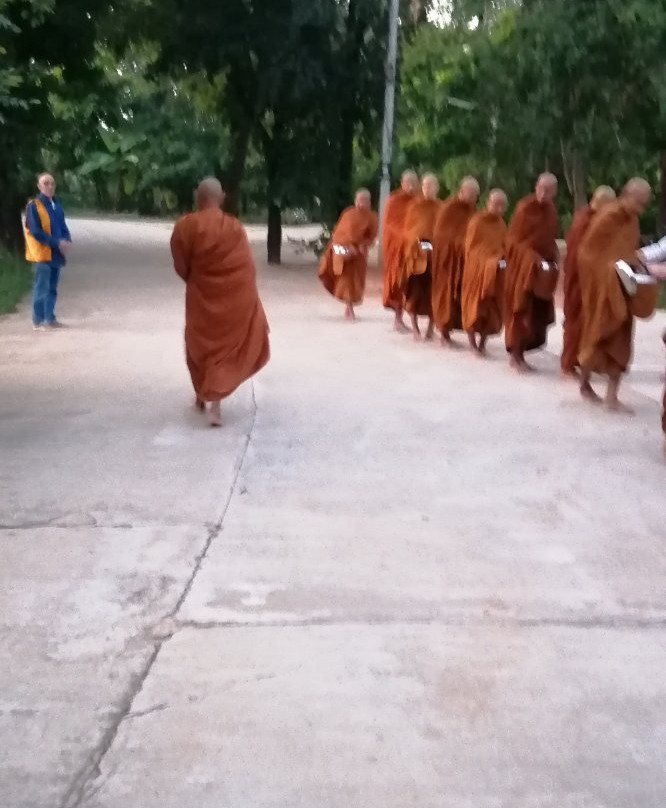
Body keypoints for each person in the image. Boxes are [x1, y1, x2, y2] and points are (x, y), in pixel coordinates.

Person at [170, 178, 270, 427]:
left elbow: (180, 263)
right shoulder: (234, 228)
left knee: (199, 346)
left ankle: (204, 396)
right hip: (232, 299)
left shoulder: (185, 226)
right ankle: (213, 404)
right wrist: (248, 301)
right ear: (222, 198)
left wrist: (196, 280)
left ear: (198, 197)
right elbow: (246, 268)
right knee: (223, 351)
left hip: (200, 299)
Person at [577, 178, 652, 412]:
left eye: (644, 205)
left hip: (623, 287)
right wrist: (611, 270)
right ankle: (584, 383)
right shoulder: (607, 217)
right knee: (596, 336)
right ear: (626, 195)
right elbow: (587, 254)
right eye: (638, 203)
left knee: (621, 340)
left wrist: (636, 266)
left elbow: (628, 251)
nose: (641, 210)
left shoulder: (632, 220)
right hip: (602, 288)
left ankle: (611, 397)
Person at [504, 173, 560, 372]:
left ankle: (522, 354)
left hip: (540, 271)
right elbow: (512, 241)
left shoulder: (551, 211)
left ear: (554, 192)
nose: (544, 193)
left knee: (536, 314)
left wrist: (552, 256)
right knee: (520, 311)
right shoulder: (524, 208)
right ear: (536, 186)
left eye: (548, 190)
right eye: (541, 188)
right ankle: (515, 356)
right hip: (522, 270)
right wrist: (530, 257)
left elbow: (548, 239)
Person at [560, 186, 617, 378]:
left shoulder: (597, 219)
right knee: (575, 321)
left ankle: (581, 359)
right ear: (599, 202)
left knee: (588, 321)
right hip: (579, 279)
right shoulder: (584, 220)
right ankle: (567, 364)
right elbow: (580, 253)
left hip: (593, 280)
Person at [431, 176, 480, 345]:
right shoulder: (449, 209)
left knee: (460, 295)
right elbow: (441, 236)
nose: (473, 198)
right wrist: (460, 244)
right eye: (471, 194)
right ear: (461, 191)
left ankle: (453, 328)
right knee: (445, 294)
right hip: (447, 261)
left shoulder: (471, 210)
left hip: (463, 261)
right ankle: (443, 333)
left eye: (476, 195)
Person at [318, 188, 378, 321]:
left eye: (363, 201)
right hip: (345, 251)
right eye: (358, 200)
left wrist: (363, 245)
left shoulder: (372, 217)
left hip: (359, 254)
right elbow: (338, 233)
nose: (360, 203)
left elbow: (372, 236)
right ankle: (349, 309)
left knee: (356, 281)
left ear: (369, 202)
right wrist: (347, 246)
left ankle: (348, 308)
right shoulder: (348, 213)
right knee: (346, 280)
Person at [461, 188, 508, 355]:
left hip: (495, 273)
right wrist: (489, 261)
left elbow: (503, 247)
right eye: (496, 204)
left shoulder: (501, 225)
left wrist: (501, 259)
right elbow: (471, 250)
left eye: (502, 206)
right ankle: (472, 344)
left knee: (491, 309)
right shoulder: (477, 222)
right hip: (476, 272)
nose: (499, 209)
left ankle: (482, 343)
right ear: (488, 203)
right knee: (474, 308)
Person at [24, 173, 72, 331]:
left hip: (56, 254)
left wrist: (67, 240)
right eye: (46, 183)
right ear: (39, 186)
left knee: (52, 288)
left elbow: (63, 226)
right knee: (41, 287)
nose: (50, 186)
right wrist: (57, 243)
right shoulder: (34, 206)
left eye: (52, 183)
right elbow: (35, 231)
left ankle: (50, 318)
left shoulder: (56, 204)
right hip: (42, 254)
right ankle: (37, 321)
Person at [401, 173, 441, 341]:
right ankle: (415, 328)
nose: (427, 189)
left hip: (435, 256)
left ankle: (431, 327)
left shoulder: (441, 208)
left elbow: (444, 232)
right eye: (424, 186)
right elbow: (407, 231)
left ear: (437, 188)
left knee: (434, 292)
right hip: (416, 255)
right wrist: (417, 241)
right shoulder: (414, 207)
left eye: (430, 186)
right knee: (415, 291)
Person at [381, 170, 419, 333]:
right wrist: (405, 237)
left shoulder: (418, 201)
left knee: (411, 284)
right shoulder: (394, 201)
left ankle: (411, 320)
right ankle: (398, 319)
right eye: (408, 183)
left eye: (414, 183)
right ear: (402, 183)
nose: (411, 187)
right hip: (396, 248)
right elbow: (390, 225)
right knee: (398, 282)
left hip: (413, 249)